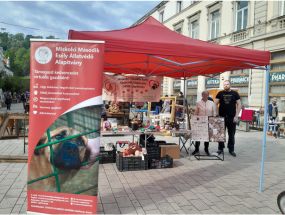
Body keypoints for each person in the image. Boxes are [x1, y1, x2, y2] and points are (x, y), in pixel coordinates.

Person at [215, 80, 241, 157]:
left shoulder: (235, 93)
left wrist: (236, 116)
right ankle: (220, 148)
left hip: (232, 118)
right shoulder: (220, 93)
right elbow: (215, 103)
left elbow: (239, 104)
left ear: (230, 85)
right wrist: (217, 114)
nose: (226, 85)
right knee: (220, 134)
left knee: (231, 134)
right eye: (225, 84)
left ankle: (231, 149)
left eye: (227, 84)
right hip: (221, 117)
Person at [192, 91, 216, 156]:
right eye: (204, 95)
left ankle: (206, 149)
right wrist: (194, 120)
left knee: (207, 137)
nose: (205, 96)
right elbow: (196, 112)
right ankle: (196, 149)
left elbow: (214, 112)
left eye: (206, 95)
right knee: (198, 136)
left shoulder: (212, 103)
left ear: (208, 95)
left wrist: (213, 120)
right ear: (202, 95)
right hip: (200, 122)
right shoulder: (198, 103)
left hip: (209, 122)